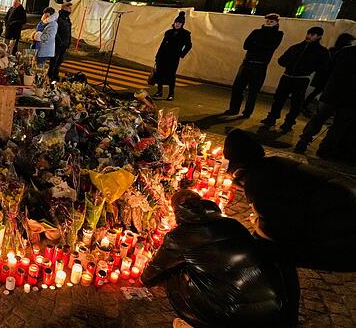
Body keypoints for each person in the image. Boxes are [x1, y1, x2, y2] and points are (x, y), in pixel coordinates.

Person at [142, 190, 297, 328]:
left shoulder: (179, 236)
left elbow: (154, 273)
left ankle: (193, 321)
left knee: (173, 273)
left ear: (177, 212)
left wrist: (146, 278)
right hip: (270, 305)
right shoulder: (232, 223)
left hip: (229, 314)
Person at [223, 129, 356, 272]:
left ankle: (279, 291)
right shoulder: (272, 165)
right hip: (341, 215)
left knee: (266, 252)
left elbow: (274, 234)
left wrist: (256, 221)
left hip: (343, 244)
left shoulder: (259, 183)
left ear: (238, 170)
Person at [297, 36, 356, 158]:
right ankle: (325, 149)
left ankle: (303, 142)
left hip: (332, 93)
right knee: (339, 125)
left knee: (318, 119)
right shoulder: (344, 52)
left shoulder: (344, 52)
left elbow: (328, 70)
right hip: (350, 99)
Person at [261, 26, 328, 131]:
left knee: (296, 103)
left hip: (301, 78)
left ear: (319, 36)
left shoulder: (320, 51)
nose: (309, 36)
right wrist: (289, 63)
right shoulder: (296, 47)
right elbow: (281, 60)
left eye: (313, 35)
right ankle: (272, 118)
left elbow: (323, 66)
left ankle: (289, 122)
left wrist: (307, 68)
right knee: (278, 99)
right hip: (288, 76)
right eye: (309, 33)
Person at [225, 13, 283, 117]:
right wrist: (260, 45)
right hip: (247, 62)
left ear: (276, 23)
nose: (269, 23)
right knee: (237, 87)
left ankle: (247, 112)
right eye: (267, 21)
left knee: (253, 91)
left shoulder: (278, 34)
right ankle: (233, 109)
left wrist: (257, 43)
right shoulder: (256, 31)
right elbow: (246, 45)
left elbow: (270, 47)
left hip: (260, 65)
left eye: (271, 22)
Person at [302, 32, 354, 114]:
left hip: (326, 76)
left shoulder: (335, 50)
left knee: (318, 92)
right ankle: (308, 107)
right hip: (327, 76)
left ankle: (307, 106)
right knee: (320, 93)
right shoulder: (338, 51)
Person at [153, 11, 192, 101]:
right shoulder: (168, 32)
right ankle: (159, 91)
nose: (177, 24)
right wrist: (157, 56)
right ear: (174, 23)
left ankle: (171, 93)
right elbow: (162, 45)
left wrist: (181, 54)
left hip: (173, 58)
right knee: (159, 74)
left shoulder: (185, 34)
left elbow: (189, 45)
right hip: (162, 56)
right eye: (176, 22)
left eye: (179, 23)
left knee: (171, 75)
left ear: (182, 24)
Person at [50, 1, 73, 82]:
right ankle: (50, 76)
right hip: (58, 44)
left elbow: (69, 31)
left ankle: (55, 75)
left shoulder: (67, 19)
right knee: (54, 61)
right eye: (69, 8)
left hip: (64, 44)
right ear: (64, 8)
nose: (70, 10)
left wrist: (69, 42)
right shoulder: (58, 18)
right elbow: (55, 32)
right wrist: (60, 42)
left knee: (59, 61)